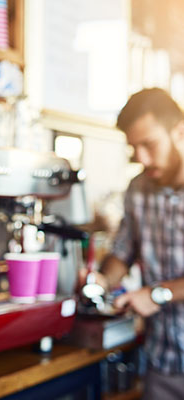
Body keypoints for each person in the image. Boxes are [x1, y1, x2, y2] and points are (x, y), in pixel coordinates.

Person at [92, 88, 184, 399]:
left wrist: (159, 294)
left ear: (179, 131)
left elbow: (158, 294)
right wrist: (101, 280)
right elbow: (123, 251)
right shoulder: (138, 189)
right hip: (163, 361)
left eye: (150, 144)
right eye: (134, 148)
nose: (142, 158)